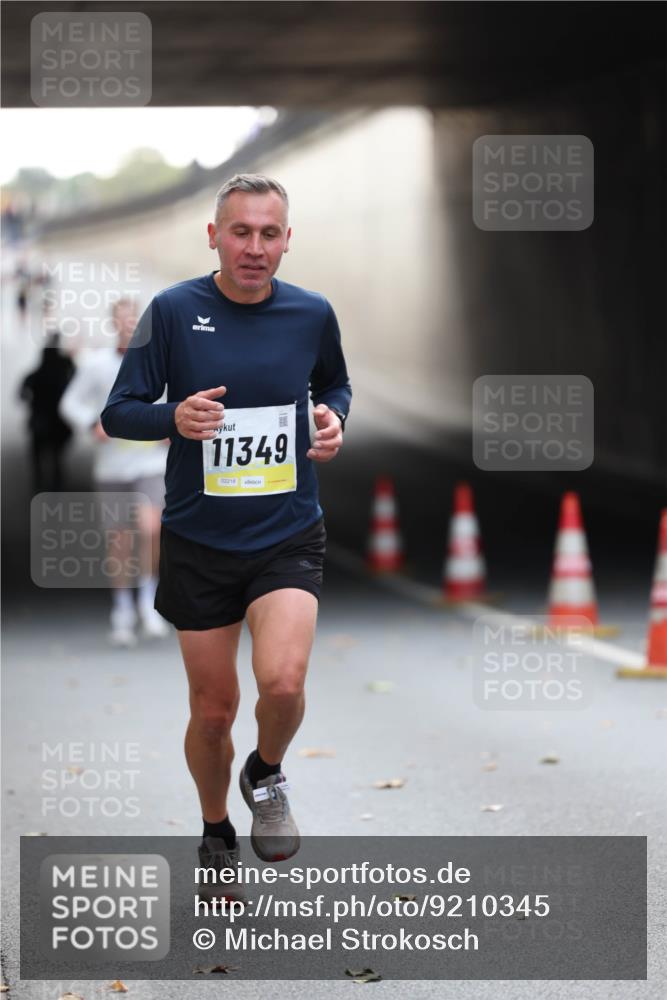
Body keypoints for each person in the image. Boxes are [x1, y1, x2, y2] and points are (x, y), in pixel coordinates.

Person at [101, 173, 351, 888]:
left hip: (287, 532)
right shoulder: (173, 311)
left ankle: (265, 774)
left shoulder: (311, 313)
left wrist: (333, 420)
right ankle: (215, 832)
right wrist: (172, 417)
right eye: (239, 232)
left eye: (268, 233)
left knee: (283, 679)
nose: (253, 247)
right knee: (213, 713)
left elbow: (333, 385)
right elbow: (121, 410)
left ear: (286, 240)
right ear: (213, 236)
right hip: (198, 539)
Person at [60, 298, 169, 646]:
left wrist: (172, 421)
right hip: (112, 467)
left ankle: (148, 602)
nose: (130, 325)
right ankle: (122, 608)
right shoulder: (96, 365)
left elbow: (179, 394)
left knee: (151, 528)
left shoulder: (160, 360)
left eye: (135, 319)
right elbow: (70, 402)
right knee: (120, 540)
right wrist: (92, 424)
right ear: (114, 324)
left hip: (150, 463)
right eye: (124, 319)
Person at [19, 333, 74, 492]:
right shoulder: (60, 372)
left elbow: (22, 395)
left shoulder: (34, 376)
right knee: (55, 457)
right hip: (53, 421)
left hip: (42, 420)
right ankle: (53, 485)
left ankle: (41, 485)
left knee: (41, 457)